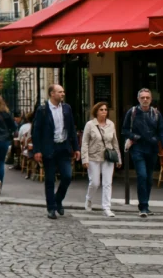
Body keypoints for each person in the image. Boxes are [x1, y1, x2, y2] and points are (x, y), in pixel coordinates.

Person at [121, 88, 163, 218]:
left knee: (148, 178)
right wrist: (135, 137)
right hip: (137, 148)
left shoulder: (156, 114)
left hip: (152, 148)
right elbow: (124, 130)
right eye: (142, 97)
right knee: (142, 176)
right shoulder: (131, 113)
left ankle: (146, 205)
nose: (145, 100)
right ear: (138, 99)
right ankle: (142, 206)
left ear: (151, 99)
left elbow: (162, 131)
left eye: (147, 98)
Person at [33, 84, 79, 219]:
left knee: (67, 176)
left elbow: (71, 129)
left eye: (63, 92)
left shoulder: (66, 108)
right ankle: (51, 208)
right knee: (49, 179)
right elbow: (36, 132)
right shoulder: (42, 110)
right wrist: (37, 150)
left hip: (63, 147)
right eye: (60, 92)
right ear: (52, 94)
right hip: (49, 148)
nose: (63, 94)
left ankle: (58, 199)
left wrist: (76, 148)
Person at [81, 102, 121, 217]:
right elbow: (85, 143)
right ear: (96, 112)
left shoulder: (111, 124)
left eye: (105, 110)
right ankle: (89, 199)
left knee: (107, 183)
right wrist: (85, 159)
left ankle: (106, 207)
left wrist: (118, 158)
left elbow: (115, 142)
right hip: (93, 156)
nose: (104, 112)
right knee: (95, 182)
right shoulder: (90, 125)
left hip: (108, 156)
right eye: (101, 110)